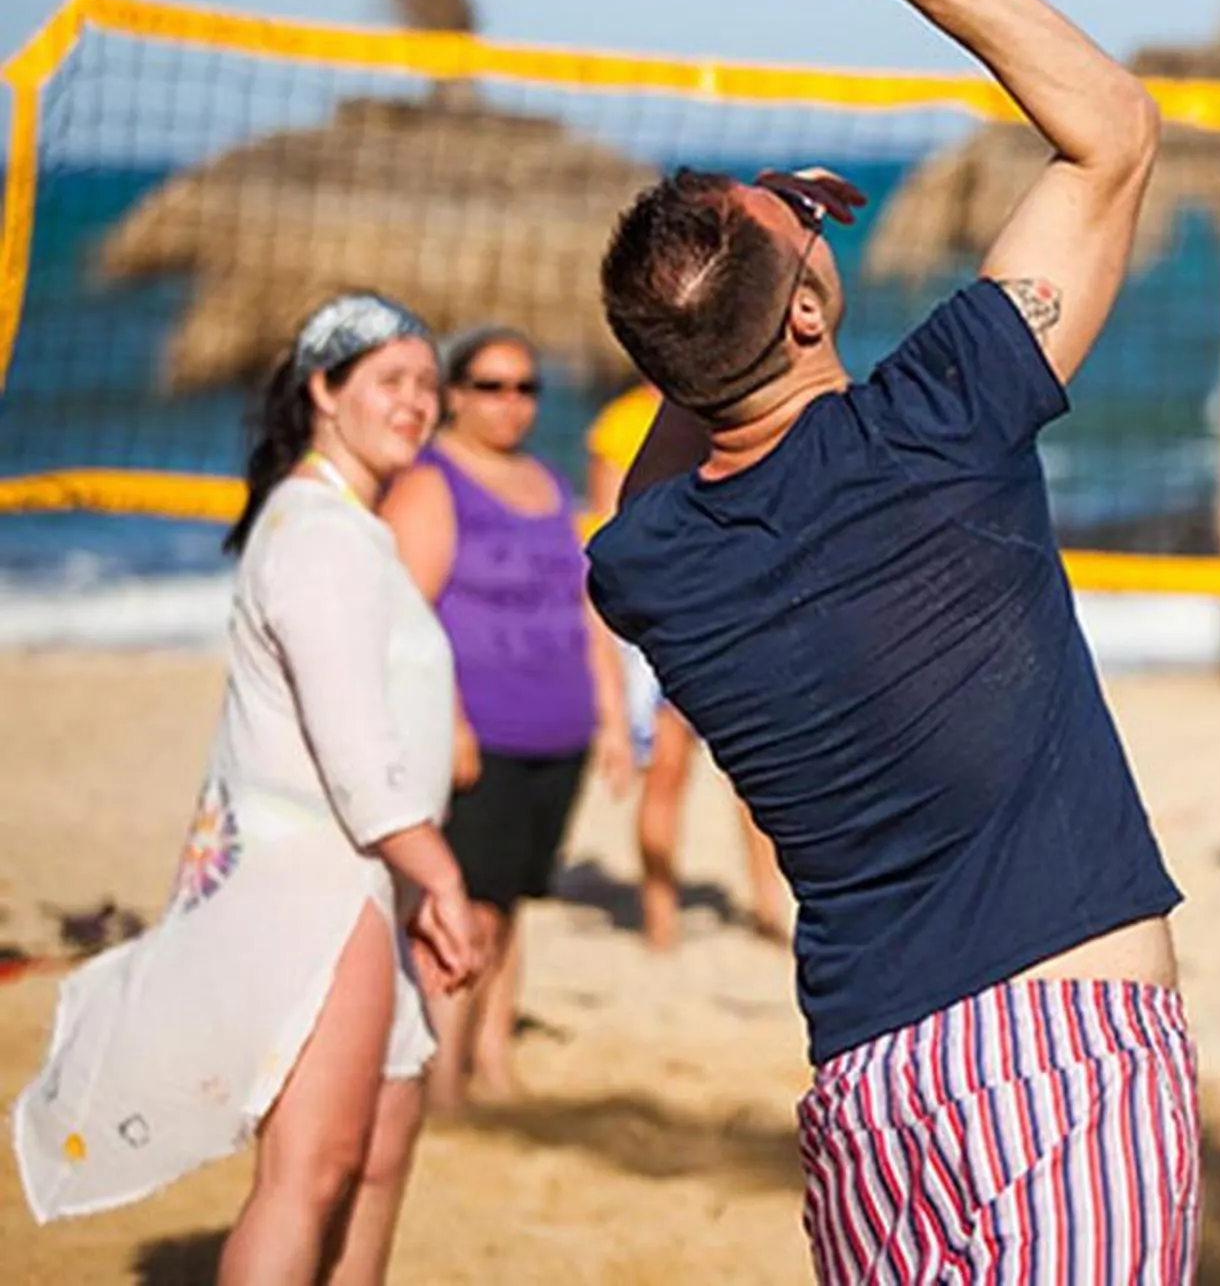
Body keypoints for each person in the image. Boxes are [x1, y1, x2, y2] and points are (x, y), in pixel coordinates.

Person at [584, 0, 1194, 1283]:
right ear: (806, 312)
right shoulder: (942, 416)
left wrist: (750, 264)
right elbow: (1113, 129)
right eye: (801, 250)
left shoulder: (650, 563)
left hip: (869, 1090)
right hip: (1061, 1059)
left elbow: (697, 405)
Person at [14, 293, 483, 1284]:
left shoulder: (352, 531)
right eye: (390, 381)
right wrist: (436, 871)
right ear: (323, 388)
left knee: (377, 1153)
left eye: (428, 386)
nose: (417, 403)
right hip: (315, 874)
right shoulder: (317, 532)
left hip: (363, 871)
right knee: (310, 1170)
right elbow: (349, 737)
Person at [382, 326, 632, 1111]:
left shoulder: (548, 483)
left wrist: (615, 716)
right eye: (491, 385)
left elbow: (584, 610)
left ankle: (493, 1064)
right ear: (454, 395)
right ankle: (443, 1078)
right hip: (478, 730)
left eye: (526, 387)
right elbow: (403, 615)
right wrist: (449, 722)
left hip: (557, 726)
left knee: (514, 903)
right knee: (467, 904)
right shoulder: (431, 482)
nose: (511, 402)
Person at [587, 378, 788, 949]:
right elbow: (608, 527)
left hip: (709, 607)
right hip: (675, 612)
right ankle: (662, 914)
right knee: (672, 774)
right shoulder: (631, 421)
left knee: (747, 780)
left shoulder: (716, 409)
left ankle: (761, 903)